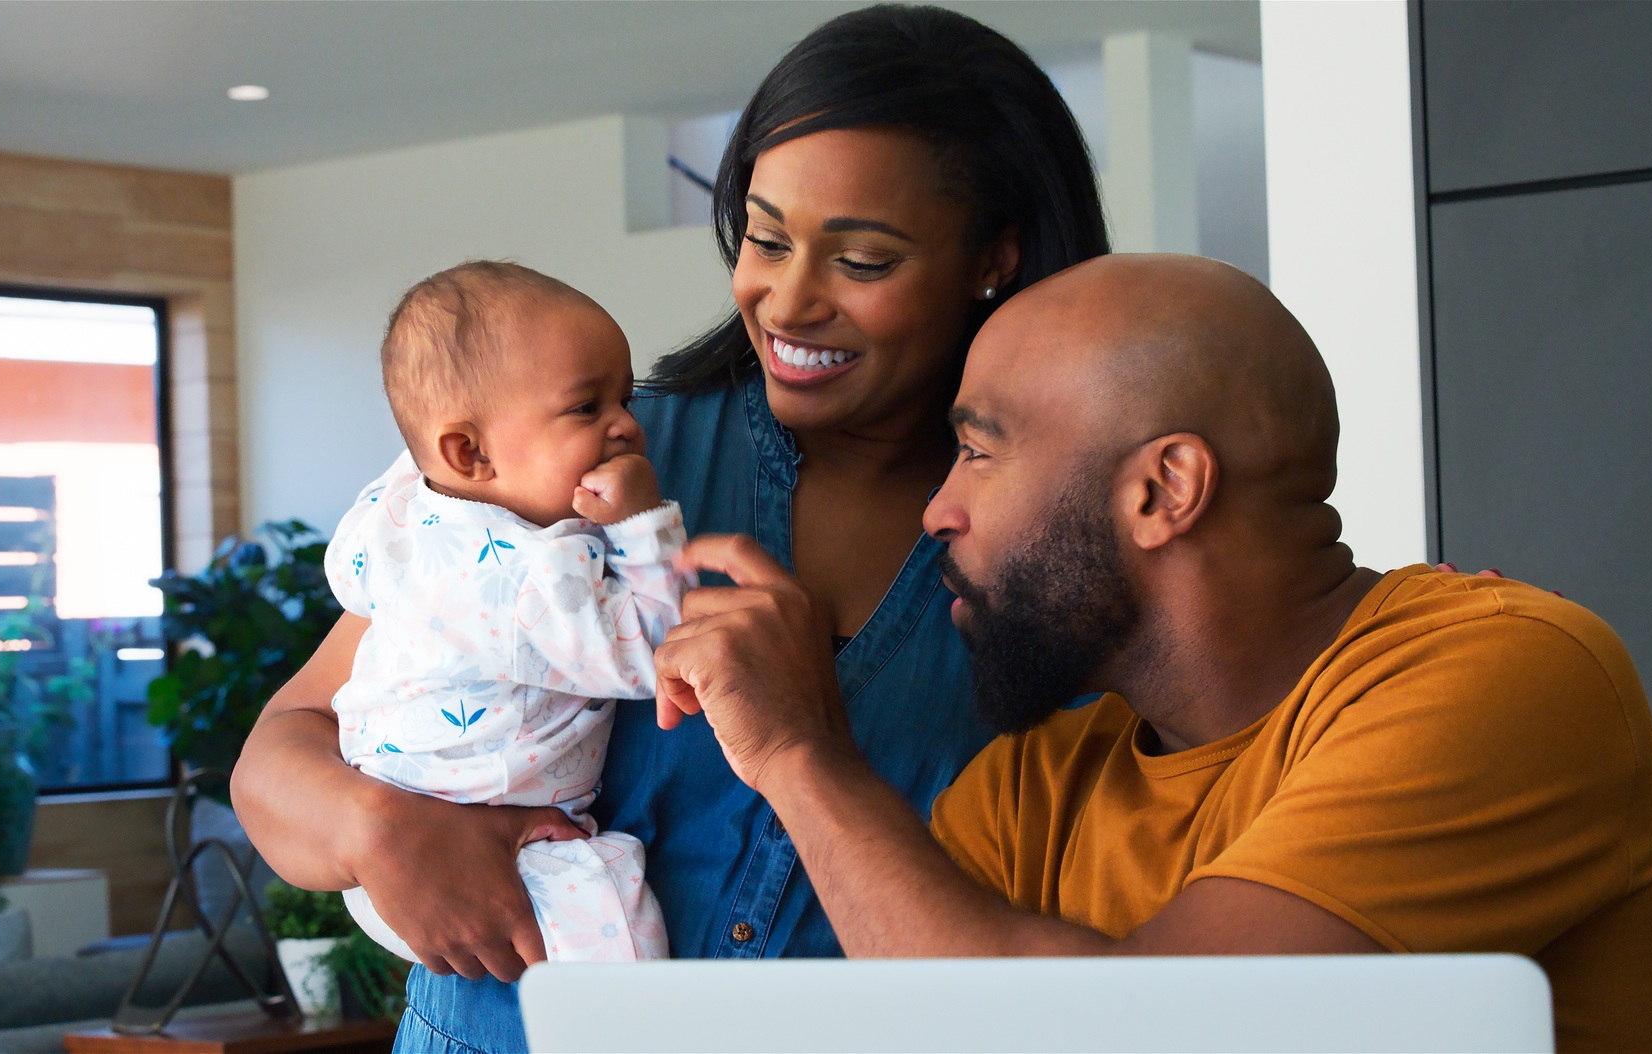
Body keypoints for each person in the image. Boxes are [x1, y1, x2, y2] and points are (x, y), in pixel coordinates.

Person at [229, 6, 1110, 1051]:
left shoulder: (1065, 543)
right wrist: (376, 830)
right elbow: (281, 751)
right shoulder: (586, 466)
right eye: (764, 237)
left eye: (862, 261)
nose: (786, 300)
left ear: (992, 259)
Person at [654, 254, 1652, 1054]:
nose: (938, 511)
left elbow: (1147, 1034)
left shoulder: (1506, 674)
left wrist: (800, 754)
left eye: (976, 451)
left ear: (1161, 491)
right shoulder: (1029, 788)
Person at [327, 262, 684, 965]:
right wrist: (643, 525)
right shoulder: (530, 583)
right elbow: (656, 651)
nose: (627, 427)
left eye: (625, 397)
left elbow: (350, 579)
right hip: (474, 854)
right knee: (618, 907)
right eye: (587, 408)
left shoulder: (400, 503)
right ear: (470, 452)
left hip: (386, 818)